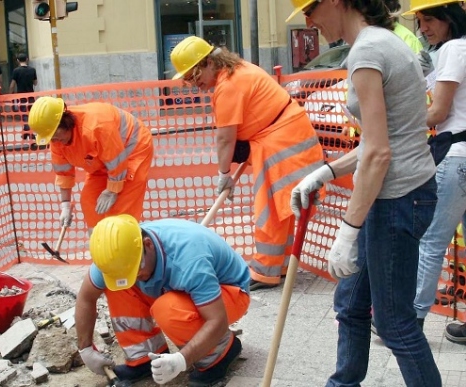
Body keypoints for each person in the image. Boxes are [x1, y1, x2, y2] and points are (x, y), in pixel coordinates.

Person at [287, 0, 441, 386]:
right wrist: (323, 173)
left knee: (395, 325)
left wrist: (348, 229)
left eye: (310, 9)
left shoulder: (368, 51)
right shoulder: (377, 43)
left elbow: (379, 152)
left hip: (397, 200)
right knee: (351, 303)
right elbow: (379, 140)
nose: (309, 22)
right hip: (400, 195)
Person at [169, 36, 325, 291]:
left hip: (279, 143)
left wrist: (223, 174)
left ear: (208, 63)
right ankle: (280, 266)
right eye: (187, 79)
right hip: (286, 136)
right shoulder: (237, 70)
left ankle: (265, 271)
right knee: (283, 206)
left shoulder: (228, 86)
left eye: (193, 75)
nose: (192, 83)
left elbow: (225, 137)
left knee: (270, 209)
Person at [74, 215, 250, 386]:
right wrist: (85, 349)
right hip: (183, 287)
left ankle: (220, 353)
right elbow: (86, 298)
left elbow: (217, 320)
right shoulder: (115, 256)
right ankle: (143, 357)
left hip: (229, 292)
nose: (135, 277)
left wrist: (182, 360)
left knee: (167, 309)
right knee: (118, 286)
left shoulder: (189, 259)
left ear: (148, 244)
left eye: (137, 270)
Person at [401, 0, 466, 344]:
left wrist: (398, 125)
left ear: (448, 17)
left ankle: (411, 322)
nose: (422, 28)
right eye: (419, 21)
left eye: (428, 20)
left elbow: (438, 112)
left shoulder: (454, 49)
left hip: (457, 154)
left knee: (431, 241)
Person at [28, 97, 153, 230]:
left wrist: (112, 191)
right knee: (89, 201)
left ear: (65, 122)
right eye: (50, 138)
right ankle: (99, 245)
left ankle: (123, 244)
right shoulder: (56, 141)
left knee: (119, 210)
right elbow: (64, 173)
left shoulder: (96, 127)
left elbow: (117, 161)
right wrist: (65, 205)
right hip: (103, 160)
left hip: (132, 150)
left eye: (54, 135)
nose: (54, 141)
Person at [8, 53, 37, 140]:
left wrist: (10, 94)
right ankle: (26, 133)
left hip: (21, 97)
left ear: (17, 61)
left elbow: (12, 85)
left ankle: (30, 133)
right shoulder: (32, 70)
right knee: (30, 115)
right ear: (27, 59)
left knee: (24, 115)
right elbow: (35, 83)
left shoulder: (16, 71)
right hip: (31, 96)